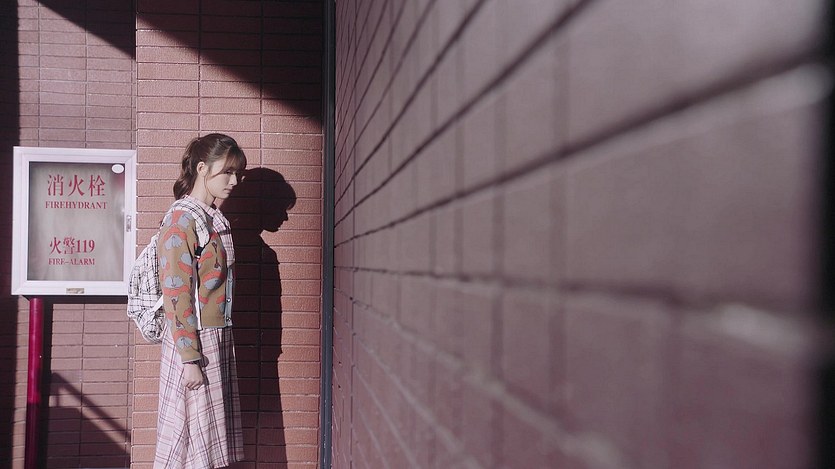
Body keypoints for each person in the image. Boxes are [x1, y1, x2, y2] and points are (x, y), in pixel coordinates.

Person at [154, 133, 246, 468]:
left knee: (204, 440)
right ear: (202, 168)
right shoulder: (182, 219)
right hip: (194, 341)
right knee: (189, 440)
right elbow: (176, 291)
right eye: (228, 172)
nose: (234, 181)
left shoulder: (210, 217)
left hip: (213, 337)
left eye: (238, 173)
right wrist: (189, 357)